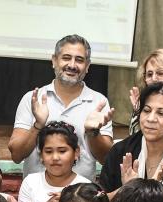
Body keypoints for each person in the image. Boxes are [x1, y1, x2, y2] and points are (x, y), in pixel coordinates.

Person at [8, 34, 113, 181]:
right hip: (37, 196)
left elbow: (106, 159)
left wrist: (93, 132)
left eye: (79, 60)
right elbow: (16, 155)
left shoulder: (99, 102)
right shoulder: (33, 99)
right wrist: (38, 125)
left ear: (87, 66)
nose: (72, 65)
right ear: (54, 61)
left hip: (81, 196)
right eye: (66, 58)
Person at [18, 121, 90, 202]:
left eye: (62, 151)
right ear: (41, 155)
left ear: (76, 152)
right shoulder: (30, 182)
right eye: (49, 151)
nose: (55, 157)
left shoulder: (85, 186)